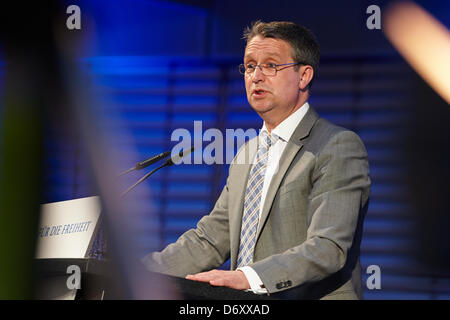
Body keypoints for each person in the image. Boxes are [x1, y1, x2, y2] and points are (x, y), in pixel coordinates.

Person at [143, 20, 371, 299]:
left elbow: (328, 247)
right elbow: (210, 240)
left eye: (271, 65)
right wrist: (135, 272)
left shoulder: (336, 146)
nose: (256, 76)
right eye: (250, 66)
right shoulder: (247, 153)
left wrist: (247, 277)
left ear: (304, 76)